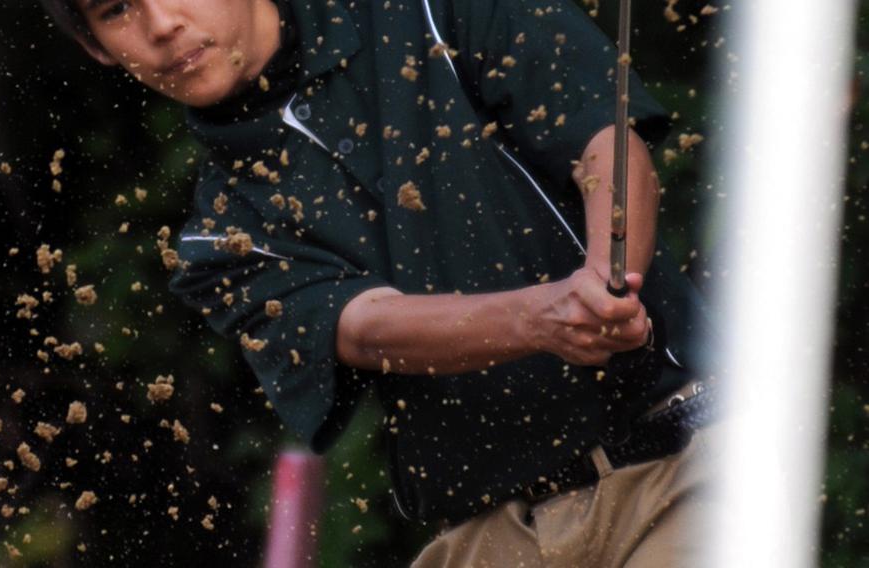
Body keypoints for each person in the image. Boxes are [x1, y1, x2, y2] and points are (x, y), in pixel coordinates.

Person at [39, 0, 718, 565]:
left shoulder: (428, 10)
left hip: (676, 471)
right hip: (489, 538)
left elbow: (602, 135)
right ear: (98, 48)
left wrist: (606, 271)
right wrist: (543, 317)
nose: (161, 25)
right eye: (116, 10)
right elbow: (363, 327)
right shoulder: (218, 237)